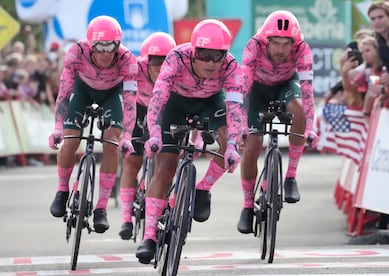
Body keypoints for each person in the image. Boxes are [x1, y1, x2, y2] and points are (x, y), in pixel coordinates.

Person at [135, 19, 244, 264]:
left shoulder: (231, 66)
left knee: (229, 138)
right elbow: (159, 95)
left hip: (210, 103)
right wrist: (153, 132)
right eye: (204, 55)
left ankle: (203, 187)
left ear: (225, 56)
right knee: (165, 167)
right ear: (193, 52)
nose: (210, 62)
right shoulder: (176, 57)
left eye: (217, 56)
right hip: (174, 103)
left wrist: (234, 146)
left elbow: (235, 107)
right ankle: (149, 236)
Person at [48, 15, 138, 234]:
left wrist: (127, 135)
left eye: (111, 47)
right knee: (70, 140)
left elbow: (129, 102)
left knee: (111, 143)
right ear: (90, 45)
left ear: (118, 45)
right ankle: (62, 190)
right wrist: (58, 126)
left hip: (112, 93)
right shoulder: (76, 52)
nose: (106, 53)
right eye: (99, 47)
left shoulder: (127, 59)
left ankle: (101, 207)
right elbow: (64, 93)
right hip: (83, 90)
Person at [237, 10, 319, 234]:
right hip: (257, 90)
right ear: (266, 41)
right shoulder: (254, 45)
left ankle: (290, 177)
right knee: (252, 147)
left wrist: (309, 127)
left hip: (285, 85)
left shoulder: (302, 49)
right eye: (275, 43)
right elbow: (243, 87)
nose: (281, 50)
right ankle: (246, 205)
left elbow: (307, 90)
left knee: (298, 108)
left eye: (286, 44)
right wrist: (242, 127)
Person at [118, 32, 176, 240]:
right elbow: (122, 98)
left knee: (166, 164)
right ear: (145, 62)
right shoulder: (135, 70)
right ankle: (126, 218)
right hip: (138, 111)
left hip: (164, 113)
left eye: (165, 61)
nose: (160, 67)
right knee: (132, 163)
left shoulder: (177, 72)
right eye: (155, 61)